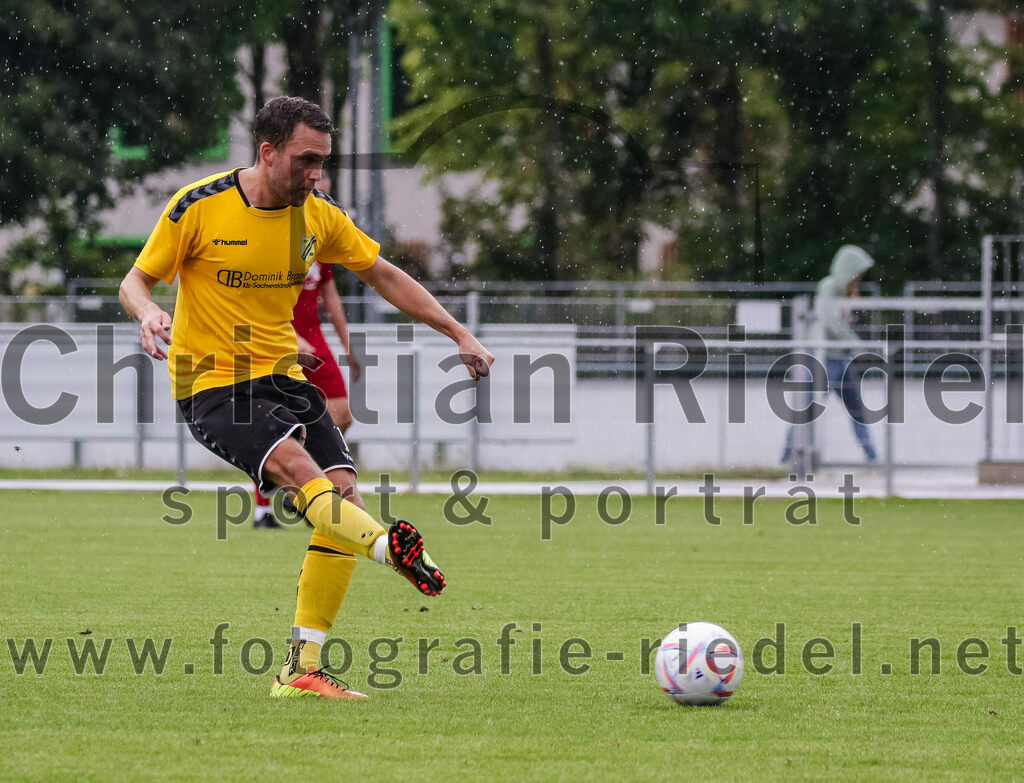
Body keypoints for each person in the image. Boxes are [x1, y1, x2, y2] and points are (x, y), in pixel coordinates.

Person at [119, 96, 494, 698]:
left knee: (342, 495)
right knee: (297, 468)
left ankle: (301, 670)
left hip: (286, 379)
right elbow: (134, 280)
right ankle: (386, 549)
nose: (316, 173)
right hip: (211, 384)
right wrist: (146, 313)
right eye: (306, 160)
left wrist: (458, 331)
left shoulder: (318, 215)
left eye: (323, 161)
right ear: (268, 152)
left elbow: (385, 274)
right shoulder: (199, 206)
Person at [253, 259, 360, 529]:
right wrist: (289, 335)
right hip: (274, 342)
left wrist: (349, 346)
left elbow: (331, 300)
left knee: (342, 413)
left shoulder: (320, 246)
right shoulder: (272, 243)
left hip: (315, 341)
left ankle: (304, 485)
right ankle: (263, 510)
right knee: (270, 428)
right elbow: (254, 300)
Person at [781, 244, 877, 464]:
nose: (860, 276)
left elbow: (843, 322)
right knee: (807, 410)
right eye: (858, 271)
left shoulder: (848, 292)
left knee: (857, 411)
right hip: (822, 358)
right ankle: (787, 458)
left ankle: (873, 458)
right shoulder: (828, 286)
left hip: (840, 358)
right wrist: (857, 345)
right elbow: (831, 321)